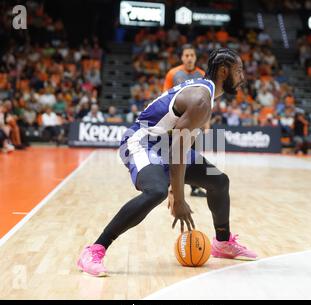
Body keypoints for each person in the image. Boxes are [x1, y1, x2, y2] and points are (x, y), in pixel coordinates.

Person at [77, 48, 258, 277]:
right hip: (142, 142)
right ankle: (94, 250)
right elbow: (178, 148)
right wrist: (179, 197)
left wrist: (177, 184)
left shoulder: (203, 92)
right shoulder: (201, 99)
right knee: (156, 191)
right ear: (224, 71)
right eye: (238, 70)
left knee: (219, 181)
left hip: (166, 144)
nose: (242, 76)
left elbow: (181, 144)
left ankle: (222, 243)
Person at [164, 44, 207, 198]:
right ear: (182, 57)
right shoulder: (173, 74)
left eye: (192, 55)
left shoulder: (203, 75)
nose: (189, 58)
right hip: (176, 121)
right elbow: (166, 98)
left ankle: (195, 188)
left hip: (195, 123)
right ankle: (169, 185)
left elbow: (206, 102)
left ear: (195, 57)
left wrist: (206, 124)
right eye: (186, 55)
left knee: (194, 155)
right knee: (173, 154)